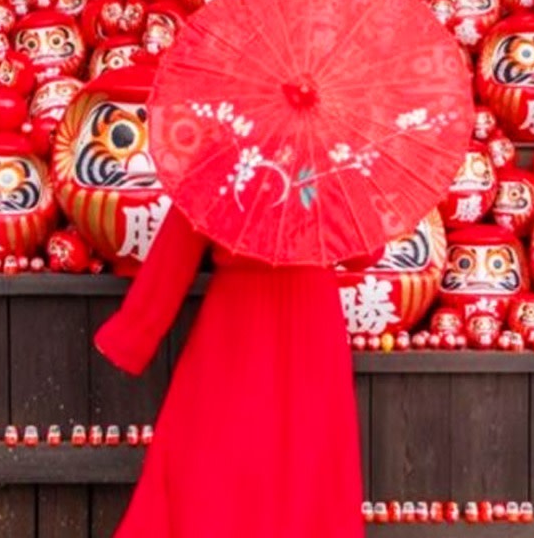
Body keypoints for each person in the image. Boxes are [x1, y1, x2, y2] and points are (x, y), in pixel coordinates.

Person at [95, 205, 363, 538]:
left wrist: (133, 333)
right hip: (311, 318)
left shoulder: (226, 162)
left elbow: (176, 249)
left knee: (212, 449)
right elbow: (366, 254)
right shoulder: (334, 164)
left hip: (238, 316)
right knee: (309, 455)